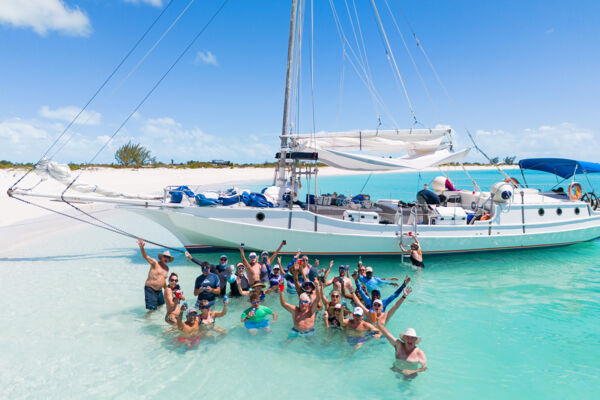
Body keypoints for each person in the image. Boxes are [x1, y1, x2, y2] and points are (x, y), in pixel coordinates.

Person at [137, 238, 172, 312]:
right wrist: (142, 248)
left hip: (159, 291)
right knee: (152, 310)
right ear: (161, 257)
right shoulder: (155, 263)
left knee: (161, 306)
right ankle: (146, 321)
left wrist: (166, 289)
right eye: (165, 256)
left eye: (168, 257)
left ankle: (157, 321)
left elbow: (163, 280)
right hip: (150, 289)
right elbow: (145, 257)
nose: (166, 258)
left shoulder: (167, 268)